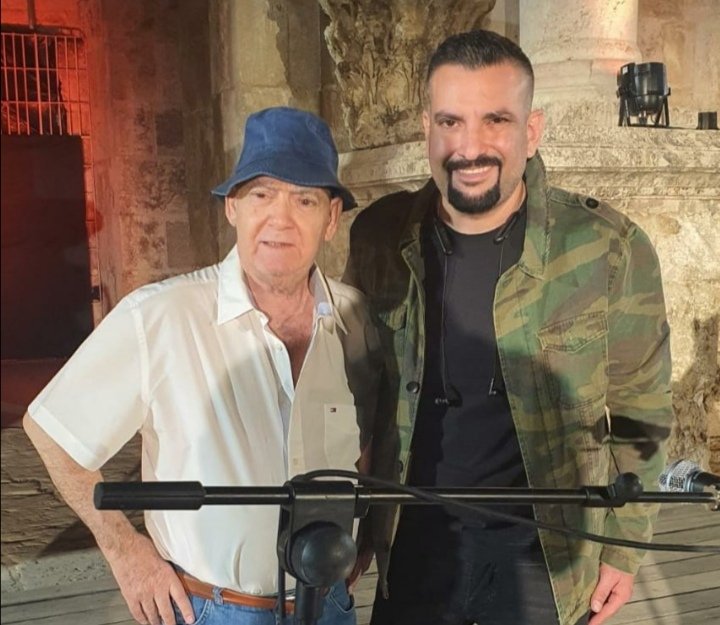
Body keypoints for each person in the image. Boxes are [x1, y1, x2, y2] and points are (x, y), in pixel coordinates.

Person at [344, 30, 673, 625]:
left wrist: (624, 546)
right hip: (414, 546)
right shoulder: (378, 237)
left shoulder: (607, 248)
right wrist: (358, 517)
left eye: (495, 120)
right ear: (426, 128)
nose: (470, 147)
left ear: (532, 129)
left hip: (546, 555)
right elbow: (359, 392)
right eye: (450, 121)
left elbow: (641, 406)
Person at [24, 106, 381, 625]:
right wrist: (125, 552)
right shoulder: (160, 317)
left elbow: (366, 433)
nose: (280, 218)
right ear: (232, 207)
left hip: (328, 604)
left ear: (330, 219)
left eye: (304, 199)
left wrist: (367, 530)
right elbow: (53, 431)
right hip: (210, 611)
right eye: (261, 195)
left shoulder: (355, 318)